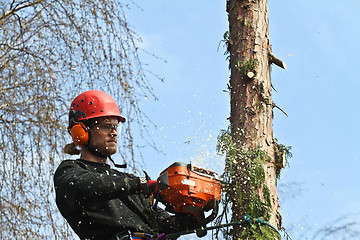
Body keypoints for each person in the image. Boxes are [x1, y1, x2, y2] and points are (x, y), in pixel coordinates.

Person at [54, 90, 203, 240]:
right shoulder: (70, 172)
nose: (114, 133)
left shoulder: (128, 182)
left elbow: (162, 224)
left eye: (115, 126)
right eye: (106, 126)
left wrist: (186, 215)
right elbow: (87, 186)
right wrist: (142, 184)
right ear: (81, 131)